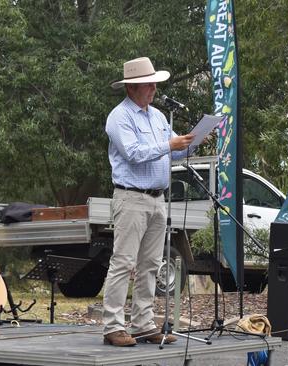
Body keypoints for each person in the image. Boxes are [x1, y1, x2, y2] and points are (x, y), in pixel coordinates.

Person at [102, 57, 196, 347]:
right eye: (149, 83)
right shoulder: (118, 117)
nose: (155, 87)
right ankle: (112, 327)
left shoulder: (157, 116)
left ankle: (142, 324)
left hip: (157, 200)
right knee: (123, 262)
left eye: (155, 82)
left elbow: (172, 154)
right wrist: (170, 144)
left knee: (151, 265)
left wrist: (193, 142)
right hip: (131, 198)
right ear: (132, 87)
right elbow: (134, 153)